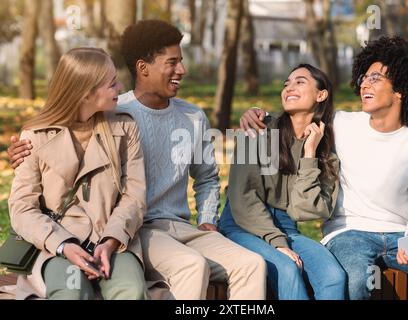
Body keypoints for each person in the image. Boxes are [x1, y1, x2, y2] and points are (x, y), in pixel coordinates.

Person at [7, 20, 267, 300]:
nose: (182, 70)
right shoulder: (115, 115)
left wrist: (206, 220)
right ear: (143, 67)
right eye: (173, 62)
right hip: (137, 229)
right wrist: (25, 152)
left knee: (253, 265)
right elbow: (46, 175)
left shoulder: (185, 118)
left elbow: (205, 177)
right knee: (191, 265)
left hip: (172, 226)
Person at [238, 37, 408, 300]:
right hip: (348, 233)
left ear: (400, 89)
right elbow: (295, 118)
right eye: (364, 77)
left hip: (400, 235)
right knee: (356, 280)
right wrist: (256, 112)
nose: (364, 83)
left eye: (375, 78)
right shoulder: (340, 124)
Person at [8, 48, 148, 300]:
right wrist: (63, 245)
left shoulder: (125, 127)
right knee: (71, 292)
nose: (120, 87)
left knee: (131, 291)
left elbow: (134, 197)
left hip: (112, 241)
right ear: (86, 93)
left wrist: (110, 242)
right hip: (55, 245)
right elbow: (21, 208)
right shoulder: (35, 136)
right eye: (112, 83)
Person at [219, 63, 346, 300]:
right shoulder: (256, 129)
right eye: (286, 83)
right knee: (287, 269)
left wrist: (309, 155)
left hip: (286, 227)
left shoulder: (325, 151)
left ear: (321, 95)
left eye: (300, 82)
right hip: (241, 224)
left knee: (333, 276)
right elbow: (241, 197)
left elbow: (304, 210)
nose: (289, 88)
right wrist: (277, 243)